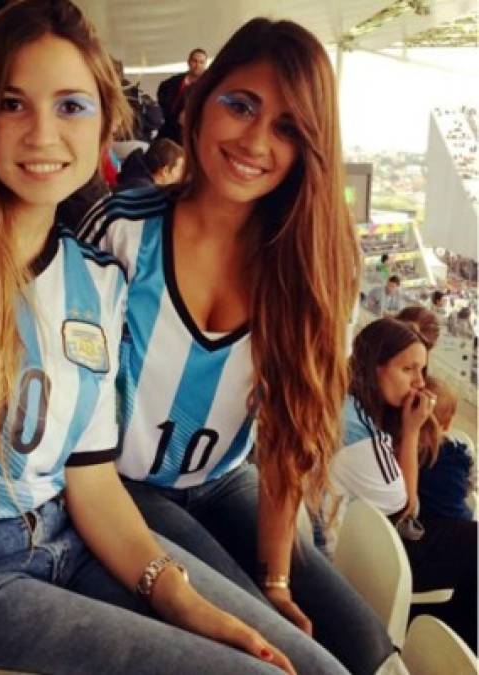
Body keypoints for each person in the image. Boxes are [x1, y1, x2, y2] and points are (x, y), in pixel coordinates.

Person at [0, 2, 349, 673]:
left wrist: (182, 597)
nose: (42, 134)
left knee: (315, 668)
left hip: (66, 545)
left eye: (70, 107)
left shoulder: (95, 281)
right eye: (13, 103)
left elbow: (89, 480)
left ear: (102, 122)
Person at [78, 17, 401, 675]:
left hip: (225, 482)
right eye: (241, 105)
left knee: (366, 648)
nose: (256, 140)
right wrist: (260, 597)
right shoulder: (120, 231)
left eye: (287, 127)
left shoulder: (308, 270)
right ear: (200, 102)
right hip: (122, 488)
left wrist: (277, 578)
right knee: (296, 661)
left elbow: (286, 437)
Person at [328, 318, 477, 652]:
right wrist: (411, 431)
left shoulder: (346, 404)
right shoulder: (363, 436)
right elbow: (408, 508)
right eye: (409, 369)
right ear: (375, 367)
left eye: (422, 370)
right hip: (354, 553)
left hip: (351, 536)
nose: (419, 383)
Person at [417, 376, 475, 522]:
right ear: (447, 424)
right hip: (459, 521)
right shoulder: (459, 453)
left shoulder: (406, 451)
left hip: (423, 523)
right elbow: (472, 482)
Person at [156, 47, 206, 144]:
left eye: (201, 62)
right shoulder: (174, 81)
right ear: (189, 62)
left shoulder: (208, 84)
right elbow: (162, 90)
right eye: (195, 61)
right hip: (169, 127)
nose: (197, 65)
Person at [117, 137, 184, 189]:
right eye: (179, 169)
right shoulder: (144, 192)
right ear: (165, 171)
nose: (180, 175)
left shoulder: (134, 174)